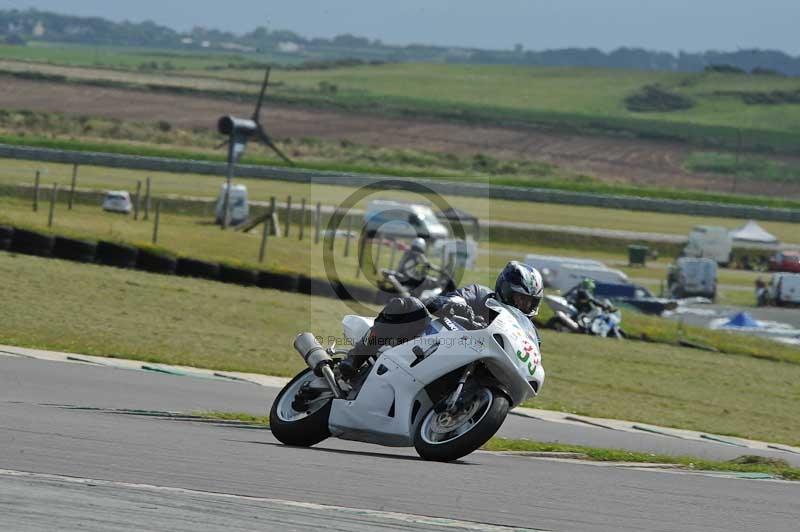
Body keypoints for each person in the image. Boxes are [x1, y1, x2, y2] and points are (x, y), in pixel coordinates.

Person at [339, 261, 544, 379]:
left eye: (529, 302)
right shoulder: (480, 294)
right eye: (520, 298)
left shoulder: (529, 332)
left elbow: (530, 356)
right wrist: (454, 304)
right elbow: (444, 299)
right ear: (505, 289)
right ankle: (355, 358)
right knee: (409, 306)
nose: (523, 306)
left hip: (475, 365)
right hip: (432, 342)